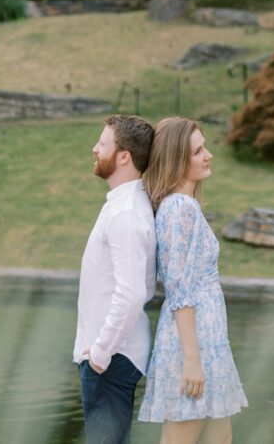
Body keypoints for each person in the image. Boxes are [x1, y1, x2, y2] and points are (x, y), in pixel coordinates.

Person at [138, 117, 247, 444]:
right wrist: (192, 360)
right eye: (198, 151)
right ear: (176, 160)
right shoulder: (178, 209)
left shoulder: (186, 206)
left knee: (221, 438)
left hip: (209, 342)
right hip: (194, 346)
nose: (208, 154)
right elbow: (179, 290)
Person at [74, 114, 157, 444]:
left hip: (112, 360)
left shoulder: (126, 214)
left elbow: (132, 294)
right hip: (110, 358)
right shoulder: (123, 206)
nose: (95, 148)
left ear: (124, 156)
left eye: (103, 143)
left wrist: (99, 356)